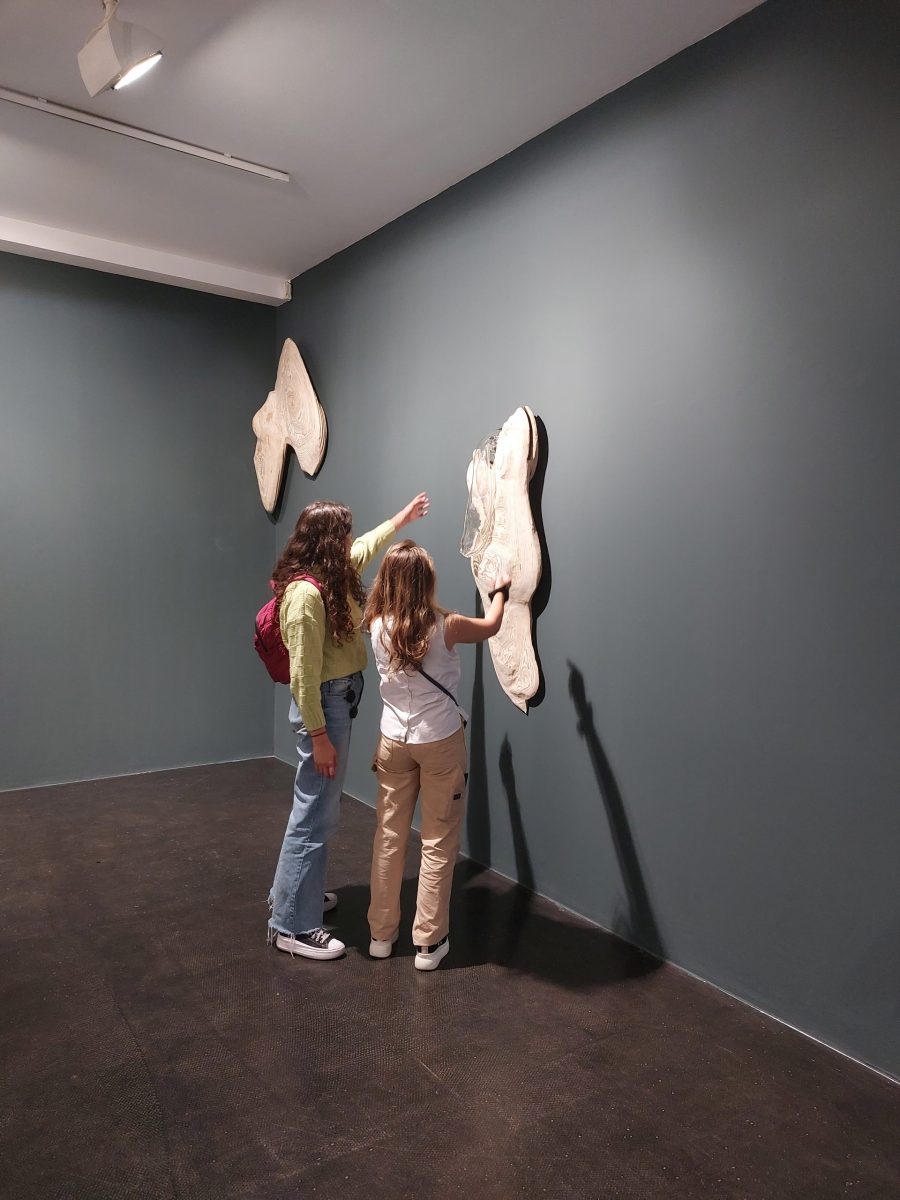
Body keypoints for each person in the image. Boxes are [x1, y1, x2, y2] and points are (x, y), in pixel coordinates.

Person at [268, 494, 429, 961]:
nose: (350, 542)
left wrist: (400, 519)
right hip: (324, 707)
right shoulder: (306, 597)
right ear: (327, 542)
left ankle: (292, 893)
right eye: (344, 534)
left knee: (320, 807)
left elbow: (367, 547)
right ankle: (292, 925)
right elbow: (302, 677)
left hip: (336, 702)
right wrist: (319, 737)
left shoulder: (330, 575)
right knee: (315, 813)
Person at [364, 540, 509, 970]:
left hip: (392, 739)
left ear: (387, 580)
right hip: (440, 740)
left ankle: (380, 935)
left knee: (389, 838)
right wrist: (499, 590)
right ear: (425, 581)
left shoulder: (376, 623)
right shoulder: (447, 626)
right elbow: (492, 626)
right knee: (438, 840)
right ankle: (428, 944)